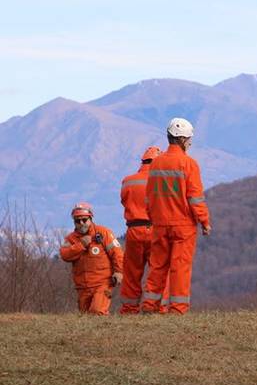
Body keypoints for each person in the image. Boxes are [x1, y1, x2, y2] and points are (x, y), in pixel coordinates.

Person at [141, 117, 212, 315]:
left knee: (157, 266)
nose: (190, 143)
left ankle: (149, 306)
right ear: (181, 140)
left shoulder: (155, 164)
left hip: (160, 224)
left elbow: (149, 197)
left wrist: (153, 217)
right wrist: (204, 221)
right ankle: (178, 309)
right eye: (189, 139)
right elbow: (195, 198)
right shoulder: (188, 164)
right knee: (180, 268)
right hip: (183, 226)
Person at [119, 146, 170, 314]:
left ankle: (129, 308)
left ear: (143, 161)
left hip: (134, 230)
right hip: (156, 230)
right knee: (159, 271)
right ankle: (158, 308)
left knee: (132, 272)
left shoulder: (128, 181)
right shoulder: (164, 181)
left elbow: (124, 201)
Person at [59, 202, 124, 315]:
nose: (81, 223)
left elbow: (117, 253)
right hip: (82, 287)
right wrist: (81, 245)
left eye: (84, 220)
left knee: (97, 311)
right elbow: (65, 255)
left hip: (102, 284)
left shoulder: (103, 233)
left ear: (91, 218)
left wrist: (119, 272)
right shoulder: (71, 239)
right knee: (85, 316)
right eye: (77, 221)